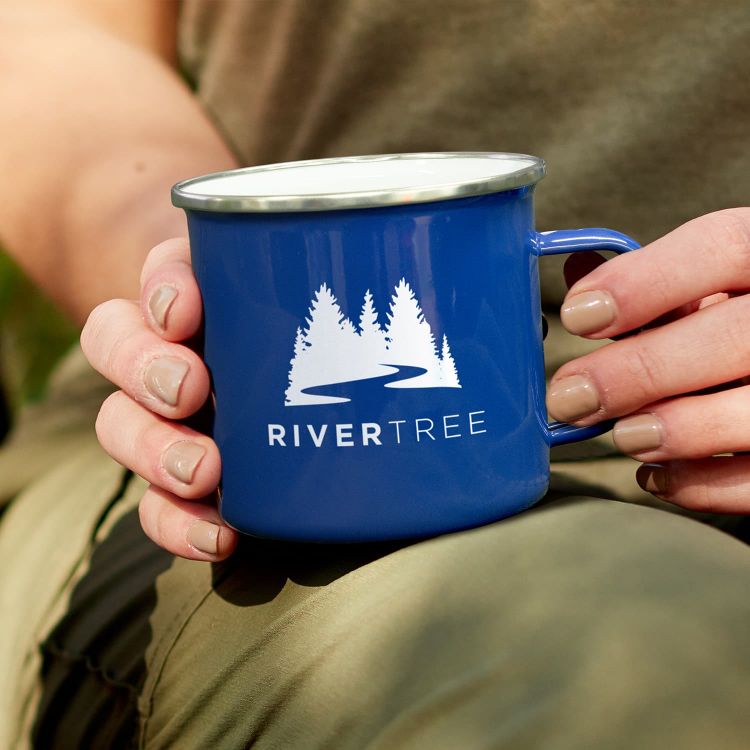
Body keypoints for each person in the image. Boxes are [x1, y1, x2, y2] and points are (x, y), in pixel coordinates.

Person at [1, 0, 750, 747]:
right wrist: (196, 290)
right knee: (633, 663)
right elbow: (53, 35)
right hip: (239, 477)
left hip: (645, 463)